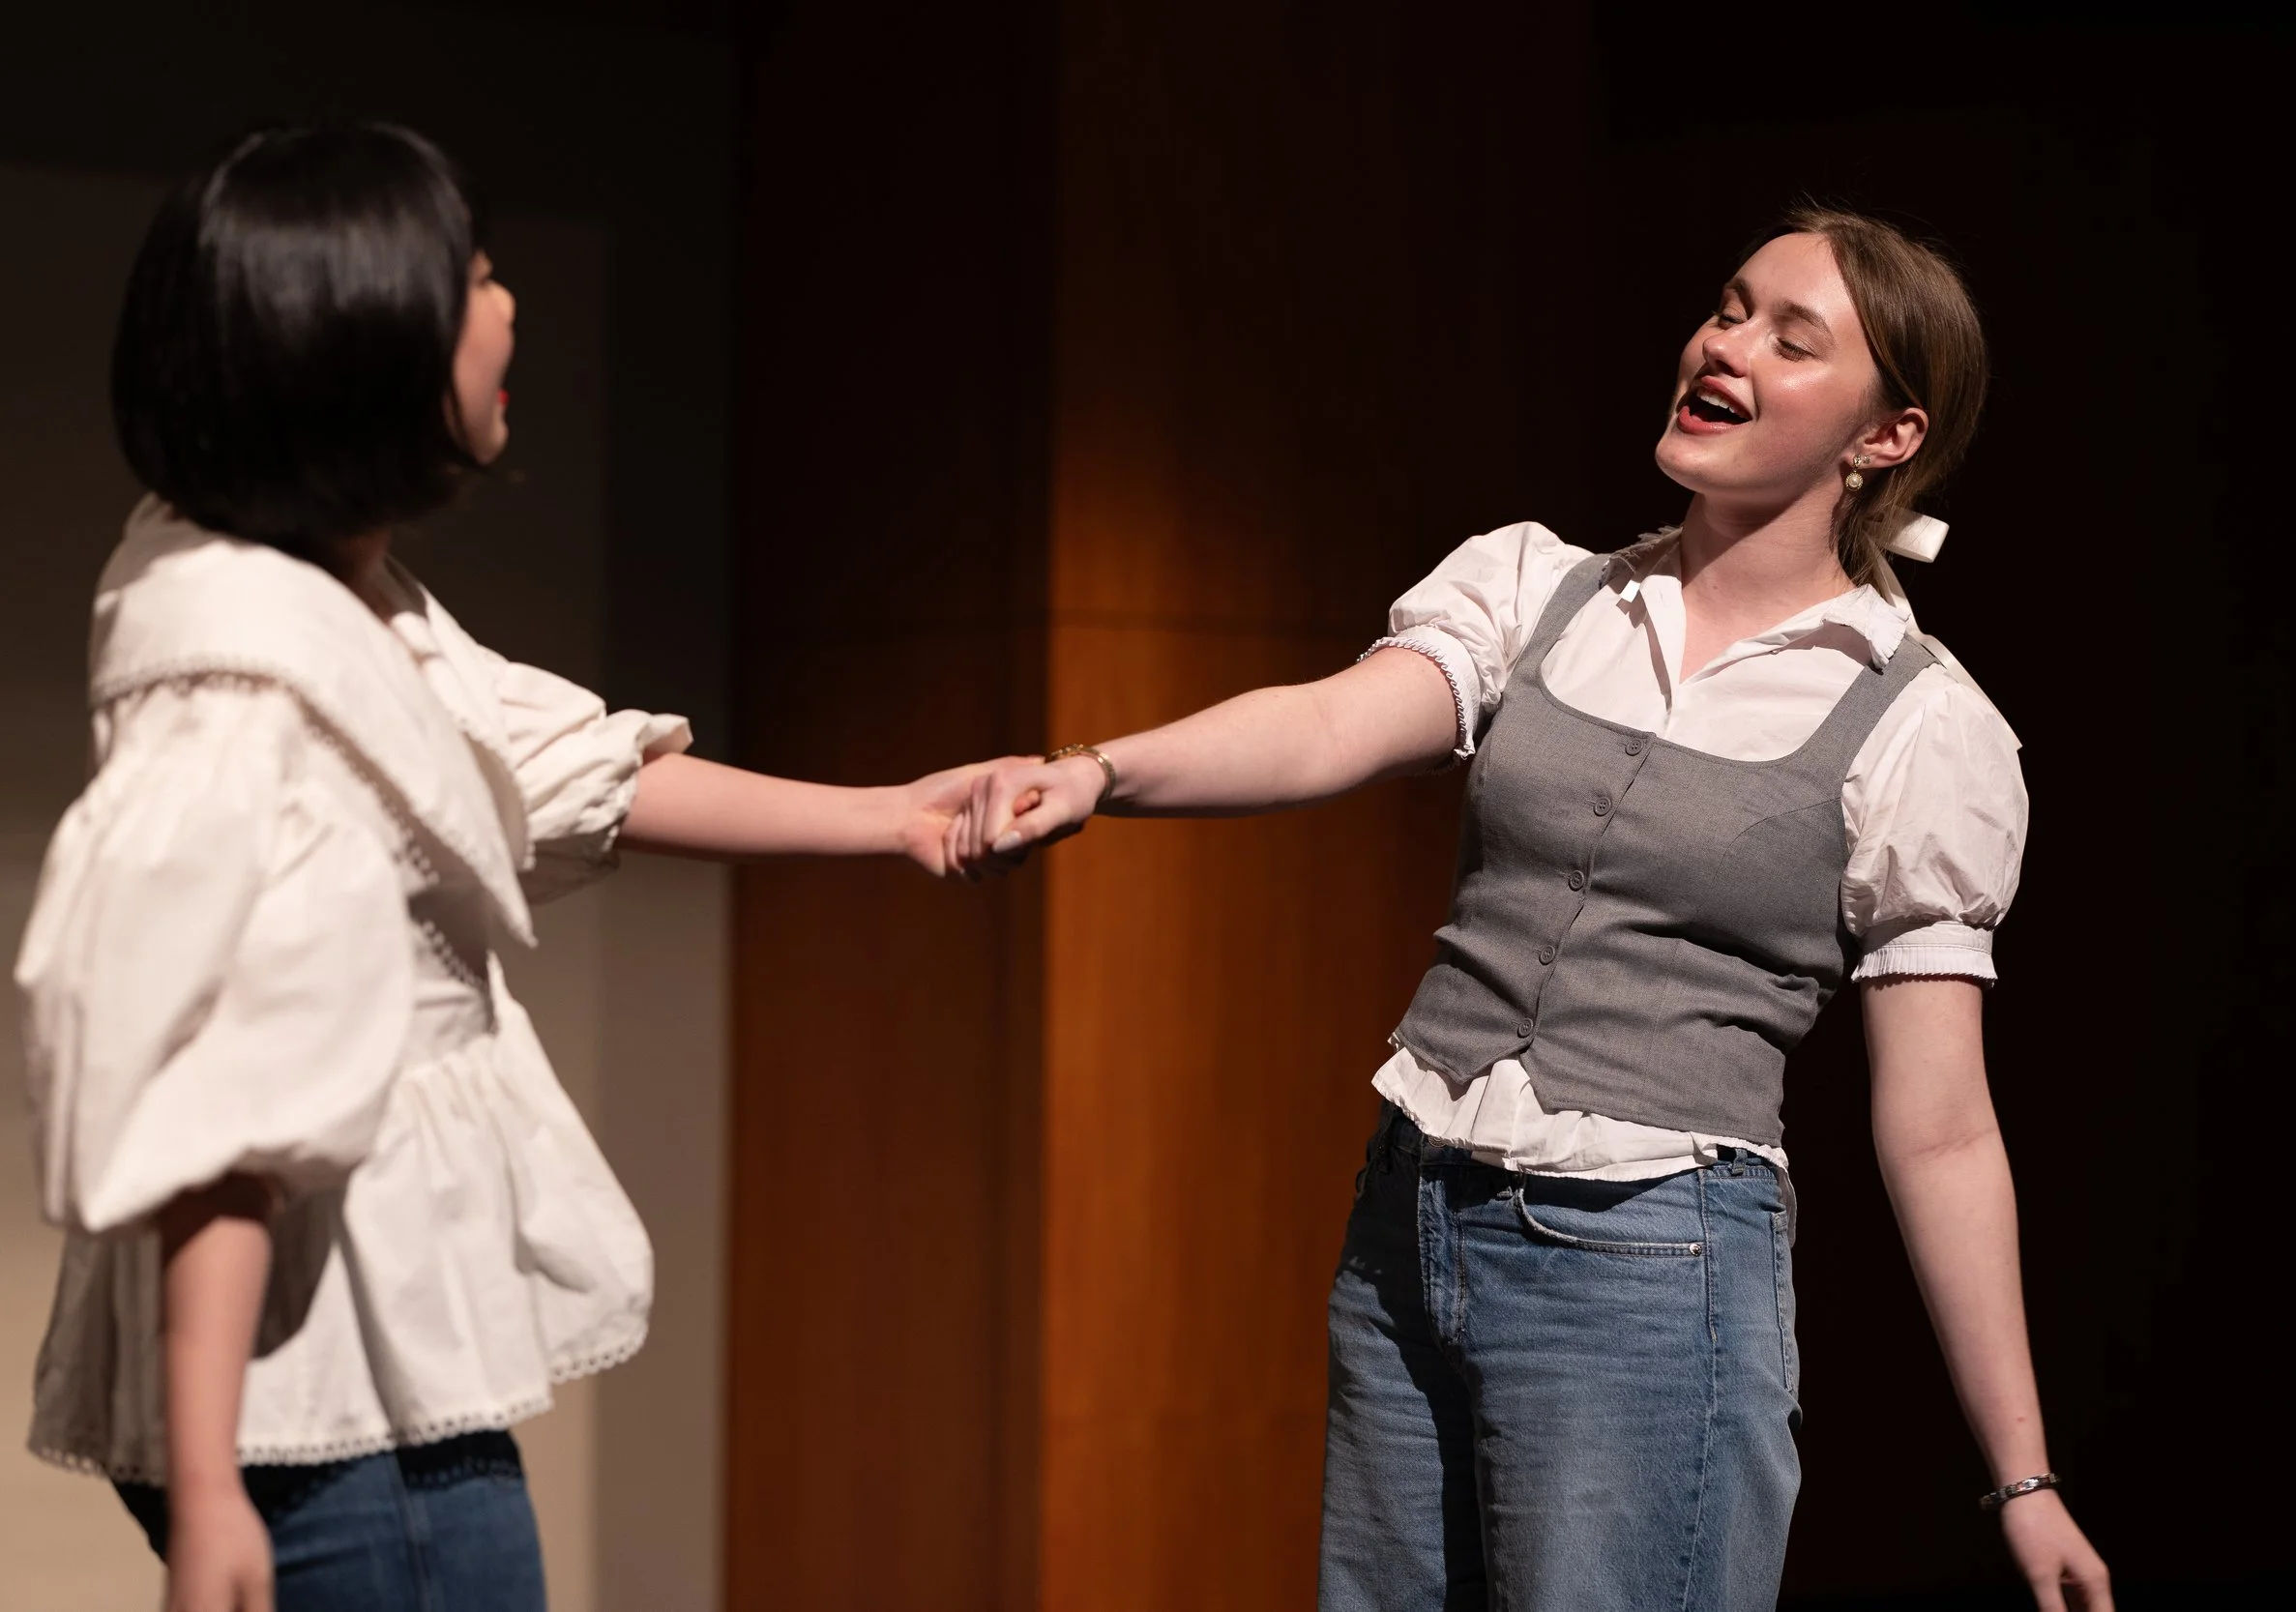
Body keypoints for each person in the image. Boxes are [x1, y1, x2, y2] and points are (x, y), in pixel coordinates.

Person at [951, 210, 2114, 1611]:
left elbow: (1937, 1123)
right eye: (1729, 307)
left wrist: (2024, 1474)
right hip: (1411, 1219)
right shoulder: (1538, 588)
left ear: (1885, 436)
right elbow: (1328, 727)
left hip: (1645, 1260)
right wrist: (1101, 772)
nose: (1724, 345)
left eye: (1790, 338)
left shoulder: (1922, 727)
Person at [15, 123, 982, 1612]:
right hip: (326, 1390)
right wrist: (208, 1483)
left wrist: (896, 814)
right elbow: (222, 1104)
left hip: (337, 1358)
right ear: (358, 348)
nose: (507, 307)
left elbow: (554, 768)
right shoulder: (256, 689)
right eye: (469, 279)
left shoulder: (309, 587)